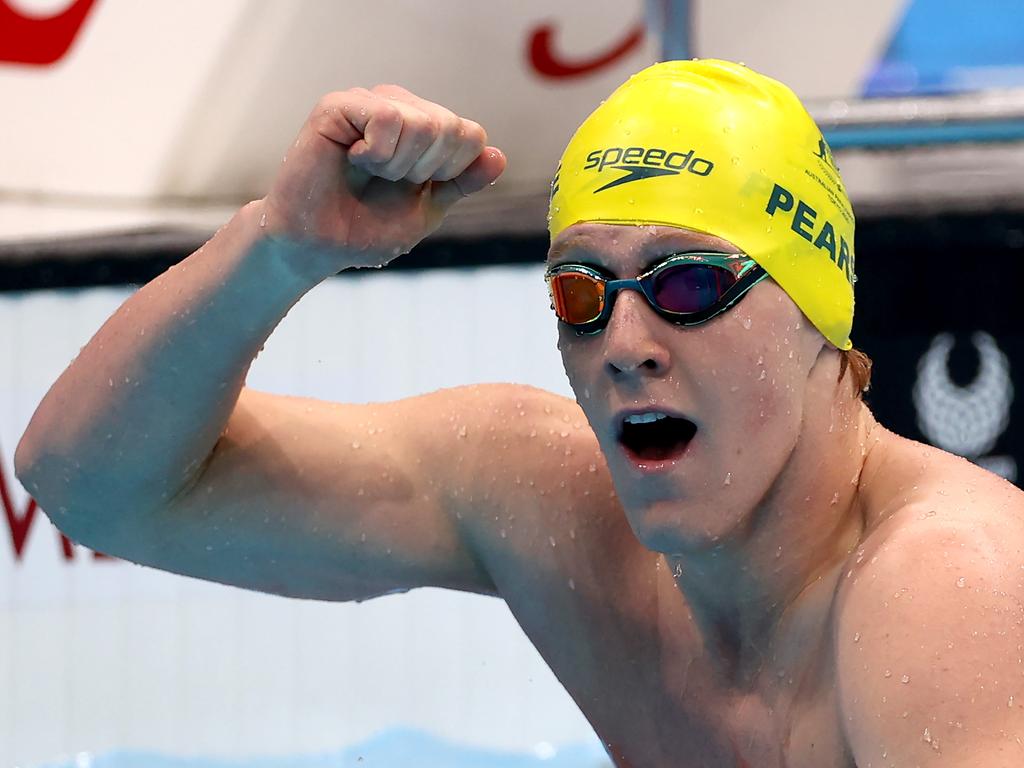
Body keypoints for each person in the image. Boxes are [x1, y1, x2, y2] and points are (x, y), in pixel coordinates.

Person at [15, 60, 1024, 767]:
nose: (624, 342)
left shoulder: (945, 591)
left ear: (819, 320)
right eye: (582, 293)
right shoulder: (547, 507)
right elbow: (91, 485)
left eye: (686, 287)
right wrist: (281, 246)